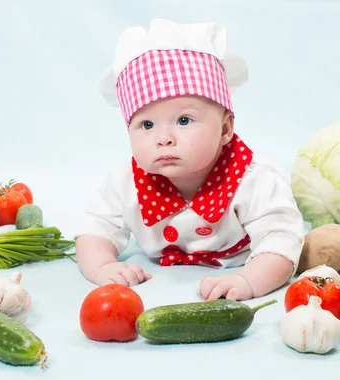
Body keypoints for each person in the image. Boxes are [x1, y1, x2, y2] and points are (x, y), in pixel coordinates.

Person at [74, 19, 305, 301]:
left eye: (184, 120)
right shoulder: (124, 182)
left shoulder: (253, 178)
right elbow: (93, 229)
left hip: (239, 263)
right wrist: (103, 266)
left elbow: (282, 238)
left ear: (224, 129)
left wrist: (248, 280)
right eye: (147, 125)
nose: (164, 138)